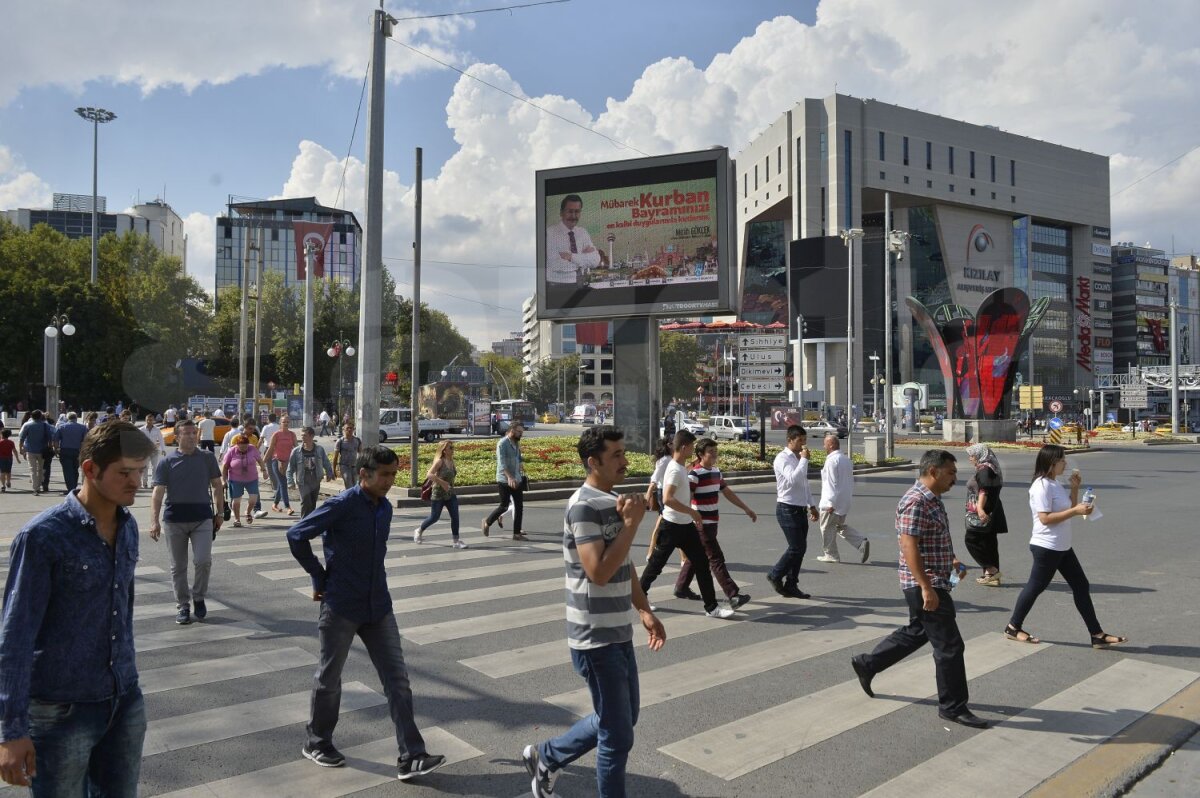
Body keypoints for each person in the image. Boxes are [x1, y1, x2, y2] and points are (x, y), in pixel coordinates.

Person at [0, 421, 156, 793]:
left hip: (123, 700)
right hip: (61, 710)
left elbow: (122, 612)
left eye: (139, 471)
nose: (136, 482)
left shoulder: (128, 525)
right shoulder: (43, 536)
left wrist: (128, 687)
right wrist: (11, 731)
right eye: (124, 473)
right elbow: (16, 635)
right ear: (89, 469)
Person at [521, 426, 665, 797]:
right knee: (617, 737)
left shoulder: (611, 500)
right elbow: (598, 572)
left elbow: (623, 564)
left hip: (618, 630)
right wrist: (631, 525)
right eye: (616, 454)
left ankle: (546, 755)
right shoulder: (584, 505)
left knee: (620, 720)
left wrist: (644, 609)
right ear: (593, 461)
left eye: (623, 452)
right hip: (593, 637)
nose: (624, 460)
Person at [287, 446, 446, 780]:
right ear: (364, 474)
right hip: (342, 604)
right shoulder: (342, 504)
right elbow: (297, 534)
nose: (390, 481)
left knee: (398, 681)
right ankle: (317, 742)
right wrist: (318, 575)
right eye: (384, 475)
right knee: (329, 678)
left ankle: (412, 755)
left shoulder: (384, 508)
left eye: (393, 474)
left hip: (378, 606)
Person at [849, 450, 990, 729]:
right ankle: (952, 707)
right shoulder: (915, 501)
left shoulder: (932, 500)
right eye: (951, 472)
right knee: (950, 646)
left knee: (917, 632)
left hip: (933, 578)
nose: (955, 478)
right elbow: (908, 546)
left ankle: (868, 663)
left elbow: (929, 539)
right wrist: (926, 587)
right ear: (934, 472)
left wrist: (951, 560)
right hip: (924, 583)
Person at [1004, 444, 1127, 648]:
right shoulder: (1041, 485)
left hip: (1062, 546)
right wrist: (1076, 511)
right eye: (1062, 460)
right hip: (1046, 546)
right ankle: (1013, 627)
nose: (1065, 463)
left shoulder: (1054, 484)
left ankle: (1096, 634)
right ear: (1052, 463)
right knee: (1035, 587)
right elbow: (1045, 518)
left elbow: (1068, 508)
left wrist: (1075, 489)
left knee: (1081, 586)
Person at [639, 430, 734, 620]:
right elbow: (667, 499)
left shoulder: (681, 466)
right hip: (672, 525)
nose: (693, 449)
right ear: (684, 447)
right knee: (656, 565)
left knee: (701, 564)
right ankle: (639, 597)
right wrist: (692, 511)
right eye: (691, 446)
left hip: (686, 526)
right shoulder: (674, 469)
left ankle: (711, 607)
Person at [149, 420, 224, 625]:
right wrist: (154, 520)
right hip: (175, 520)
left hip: (202, 518)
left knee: (203, 561)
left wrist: (220, 513)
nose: (192, 436)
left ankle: (198, 596)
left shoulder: (207, 458)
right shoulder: (168, 461)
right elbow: (157, 493)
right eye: (187, 433)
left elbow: (217, 485)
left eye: (194, 433)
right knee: (178, 567)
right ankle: (183, 605)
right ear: (177, 437)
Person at [673, 438, 754, 609]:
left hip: (712, 523)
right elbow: (687, 498)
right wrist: (691, 517)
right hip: (701, 523)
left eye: (715, 451)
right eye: (711, 452)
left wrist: (746, 508)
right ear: (700, 455)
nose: (714, 455)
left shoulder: (716, 472)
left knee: (697, 555)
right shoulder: (694, 474)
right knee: (715, 558)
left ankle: (681, 587)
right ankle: (733, 595)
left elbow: (727, 493)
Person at [767, 425, 819, 599]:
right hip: (786, 507)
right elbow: (793, 479)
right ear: (790, 440)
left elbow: (803, 484)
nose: (803, 445)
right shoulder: (782, 459)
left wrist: (811, 505)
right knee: (796, 547)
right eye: (800, 441)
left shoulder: (798, 458)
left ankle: (791, 583)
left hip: (800, 508)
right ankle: (775, 574)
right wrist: (804, 460)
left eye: (805, 440)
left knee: (801, 548)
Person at [816, 432, 870, 564]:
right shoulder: (846, 459)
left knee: (826, 527)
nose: (824, 447)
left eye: (825, 444)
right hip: (844, 501)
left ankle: (831, 554)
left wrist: (830, 502)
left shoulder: (831, 461)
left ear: (831, 445)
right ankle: (860, 541)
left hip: (832, 502)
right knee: (838, 526)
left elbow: (831, 483)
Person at [963, 443, 1007, 586]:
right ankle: (991, 576)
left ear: (979, 455)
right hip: (992, 510)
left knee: (971, 540)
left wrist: (980, 509)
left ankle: (991, 570)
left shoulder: (984, 470)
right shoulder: (990, 468)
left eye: (972, 455)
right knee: (989, 543)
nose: (970, 459)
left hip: (984, 514)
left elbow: (984, 490)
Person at [414, 440, 465, 548]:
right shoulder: (439, 461)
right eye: (450, 448)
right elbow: (429, 474)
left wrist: (448, 485)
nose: (453, 449)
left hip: (450, 493)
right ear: (444, 450)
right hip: (438, 493)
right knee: (434, 517)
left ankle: (456, 541)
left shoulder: (451, 461)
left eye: (453, 447)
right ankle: (419, 530)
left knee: (455, 517)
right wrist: (442, 483)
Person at [482, 421, 527, 541]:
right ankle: (487, 521)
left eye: (522, 432)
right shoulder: (502, 443)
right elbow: (502, 464)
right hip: (504, 480)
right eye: (519, 432)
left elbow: (518, 456)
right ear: (512, 430)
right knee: (504, 506)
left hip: (516, 479)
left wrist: (520, 463)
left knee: (519, 506)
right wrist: (509, 477)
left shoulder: (516, 443)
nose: (521, 434)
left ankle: (516, 534)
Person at [546, 194, 601, 285]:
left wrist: (571, 257)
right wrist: (584, 259)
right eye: (570, 211)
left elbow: (596, 260)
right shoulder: (550, 233)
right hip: (557, 286)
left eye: (577, 212)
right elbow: (556, 265)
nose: (574, 216)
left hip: (580, 283)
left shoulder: (583, 233)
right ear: (561, 213)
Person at [221, 434, 269, 528]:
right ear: (237, 445)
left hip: (252, 479)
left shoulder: (252, 449)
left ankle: (247, 512)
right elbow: (225, 466)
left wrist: (264, 471)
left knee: (253, 499)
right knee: (236, 501)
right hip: (235, 479)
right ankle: (237, 519)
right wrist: (223, 480)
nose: (244, 448)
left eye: (245, 446)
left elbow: (260, 460)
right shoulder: (231, 451)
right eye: (241, 446)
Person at [287, 426, 334, 518]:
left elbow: (326, 462)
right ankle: (303, 524)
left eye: (304, 435)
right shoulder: (296, 451)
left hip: (315, 479)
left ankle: (310, 524)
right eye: (301, 435)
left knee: (312, 503)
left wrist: (329, 473)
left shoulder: (319, 449)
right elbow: (290, 468)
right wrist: (290, 481)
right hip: (303, 480)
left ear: (312, 436)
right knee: (305, 502)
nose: (302, 438)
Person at [265, 415, 297, 515]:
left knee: (280, 484)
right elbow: (270, 449)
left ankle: (275, 504)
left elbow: (296, 449)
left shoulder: (292, 434)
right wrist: (262, 462)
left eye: (287, 422)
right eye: (284, 422)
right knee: (283, 483)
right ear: (280, 423)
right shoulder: (276, 434)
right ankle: (288, 507)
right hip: (276, 461)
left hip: (288, 463)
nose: (286, 424)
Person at [17, 411, 54, 496]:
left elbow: (21, 438)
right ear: (41, 416)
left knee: (32, 469)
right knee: (41, 469)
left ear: (31, 416)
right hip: (42, 451)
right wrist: (50, 447)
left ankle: (35, 488)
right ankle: (39, 484)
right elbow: (50, 438)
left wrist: (21, 448)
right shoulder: (45, 425)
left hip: (30, 450)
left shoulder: (27, 425)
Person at [53, 413, 88, 495]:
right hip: (78, 451)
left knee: (67, 470)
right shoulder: (82, 427)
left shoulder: (62, 427)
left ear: (67, 418)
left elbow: (55, 439)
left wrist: (56, 449)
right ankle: (74, 487)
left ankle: (70, 488)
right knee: (75, 469)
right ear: (76, 418)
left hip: (65, 451)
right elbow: (86, 440)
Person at [332, 423, 362, 490]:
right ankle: (351, 499)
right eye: (347, 428)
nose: (349, 430)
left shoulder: (357, 440)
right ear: (343, 430)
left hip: (354, 467)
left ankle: (349, 498)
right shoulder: (340, 441)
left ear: (353, 429)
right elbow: (335, 456)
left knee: (355, 486)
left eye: (351, 428)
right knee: (349, 486)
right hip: (344, 467)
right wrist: (334, 469)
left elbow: (361, 454)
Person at [141, 415, 166, 489]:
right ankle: (144, 483)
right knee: (145, 467)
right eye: (148, 420)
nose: (149, 421)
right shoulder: (141, 429)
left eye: (151, 420)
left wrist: (163, 449)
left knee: (154, 467)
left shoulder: (157, 429)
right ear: (145, 420)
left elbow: (161, 439)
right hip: (145, 451)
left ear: (153, 421)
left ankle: (153, 483)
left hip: (154, 450)